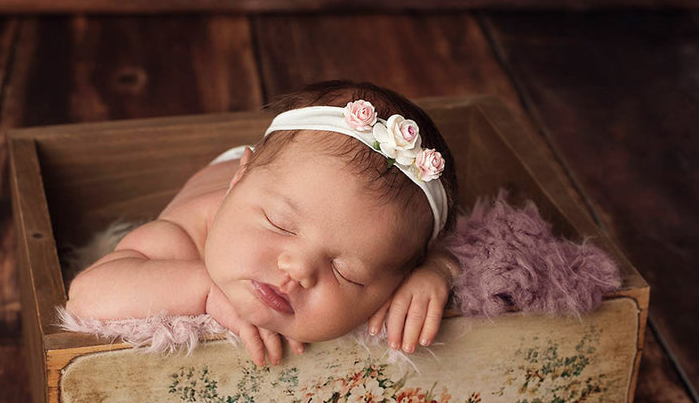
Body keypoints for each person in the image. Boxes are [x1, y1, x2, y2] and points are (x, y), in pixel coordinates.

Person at [66, 80, 461, 367]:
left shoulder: (379, 243)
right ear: (239, 180)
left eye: (347, 273)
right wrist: (205, 290)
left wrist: (436, 270)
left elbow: (450, 247)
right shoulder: (182, 236)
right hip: (241, 170)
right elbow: (87, 294)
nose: (298, 269)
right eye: (279, 225)